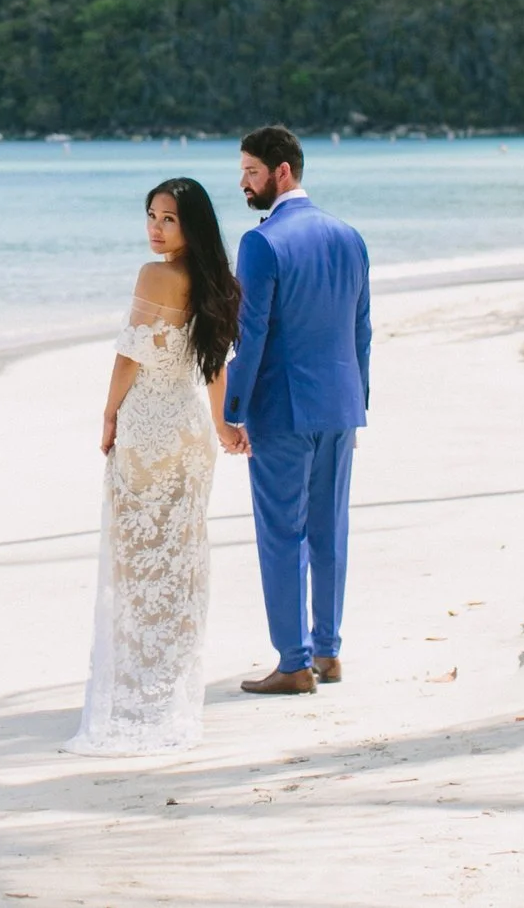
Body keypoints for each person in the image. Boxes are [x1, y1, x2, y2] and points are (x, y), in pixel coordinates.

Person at [66, 177, 243, 755]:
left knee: (140, 561)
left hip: (148, 426)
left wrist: (108, 415)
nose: (155, 228)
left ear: (191, 224)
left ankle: (144, 681)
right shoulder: (217, 281)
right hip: (189, 431)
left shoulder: (154, 277)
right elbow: (215, 368)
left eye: (168, 218)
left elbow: (129, 354)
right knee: (181, 558)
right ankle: (172, 680)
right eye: (151, 216)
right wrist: (220, 425)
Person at [223, 124, 372, 696]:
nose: (244, 182)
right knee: (330, 531)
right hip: (339, 406)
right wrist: (357, 404)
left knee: (282, 534)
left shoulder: (261, 243)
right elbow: (360, 330)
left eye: (251, 171)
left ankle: (293, 663)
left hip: (281, 408)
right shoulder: (349, 237)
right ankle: (328, 654)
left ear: (282, 171)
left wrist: (233, 408)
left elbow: (251, 334)